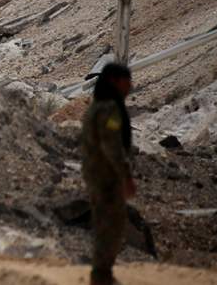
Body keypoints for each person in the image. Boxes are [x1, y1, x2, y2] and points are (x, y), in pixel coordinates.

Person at [81, 63, 135, 285]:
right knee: (111, 225)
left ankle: (101, 273)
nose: (130, 86)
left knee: (104, 222)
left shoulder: (96, 107)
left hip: (95, 172)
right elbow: (111, 145)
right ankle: (101, 275)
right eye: (126, 80)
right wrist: (125, 175)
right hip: (107, 175)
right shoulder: (109, 110)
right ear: (115, 81)